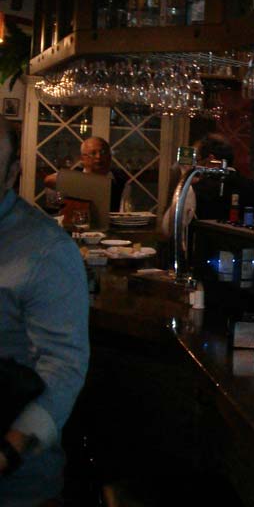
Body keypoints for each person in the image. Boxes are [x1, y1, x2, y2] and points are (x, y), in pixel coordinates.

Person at [0, 116, 90, 506]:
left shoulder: (46, 251)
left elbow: (63, 370)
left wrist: (8, 452)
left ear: (11, 174)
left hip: (14, 486)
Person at [161, 133, 254, 238]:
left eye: (197, 160)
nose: (195, 165)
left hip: (205, 252)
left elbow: (168, 229)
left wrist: (183, 181)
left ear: (211, 159)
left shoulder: (193, 191)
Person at [44, 136, 129, 212]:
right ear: (82, 159)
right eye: (93, 153)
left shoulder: (120, 182)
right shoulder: (75, 174)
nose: (98, 157)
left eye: (103, 152)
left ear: (110, 157)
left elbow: (124, 215)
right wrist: (87, 181)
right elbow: (48, 180)